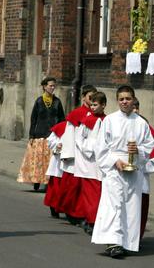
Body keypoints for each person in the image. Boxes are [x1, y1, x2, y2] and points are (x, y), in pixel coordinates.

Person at [91, 85, 154, 258]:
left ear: (133, 99)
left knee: (130, 206)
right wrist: (114, 161)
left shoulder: (141, 123)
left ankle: (127, 242)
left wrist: (138, 150)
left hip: (134, 171)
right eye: (121, 99)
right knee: (114, 205)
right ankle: (113, 242)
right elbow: (101, 147)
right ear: (117, 101)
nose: (125, 102)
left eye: (128, 98)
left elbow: (150, 147)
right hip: (114, 169)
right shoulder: (109, 120)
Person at [57, 84, 97, 225]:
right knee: (74, 187)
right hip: (77, 154)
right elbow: (69, 134)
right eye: (90, 97)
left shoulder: (96, 113)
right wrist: (68, 153)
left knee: (87, 188)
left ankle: (84, 213)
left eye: (94, 98)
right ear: (83, 97)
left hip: (90, 156)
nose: (92, 101)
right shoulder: (77, 113)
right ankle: (73, 213)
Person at [17, 77, 65, 191]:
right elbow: (34, 119)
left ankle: (48, 183)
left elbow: (62, 119)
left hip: (52, 135)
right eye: (50, 85)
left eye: (54, 86)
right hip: (39, 134)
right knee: (38, 161)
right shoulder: (39, 101)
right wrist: (31, 135)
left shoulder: (57, 102)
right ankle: (37, 181)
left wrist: (62, 134)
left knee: (49, 161)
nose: (52, 88)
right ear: (44, 86)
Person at [73, 91, 107, 235]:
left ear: (103, 105)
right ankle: (90, 219)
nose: (92, 108)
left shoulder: (108, 120)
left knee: (99, 194)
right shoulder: (87, 119)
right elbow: (79, 138)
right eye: (91, 105)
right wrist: (90, 147)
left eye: (95, 105)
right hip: (88, 163)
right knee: (89, 194)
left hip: (101, 163)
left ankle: (96, 219)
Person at [132, 98, 154, 241]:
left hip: (142, 176)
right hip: (126, 175)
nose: (135, 110)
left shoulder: (144, 124)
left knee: (141, 209)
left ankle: (137, 237)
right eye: (133, 107)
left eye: (137, 107)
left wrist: (142, 160)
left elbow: (152, 157)